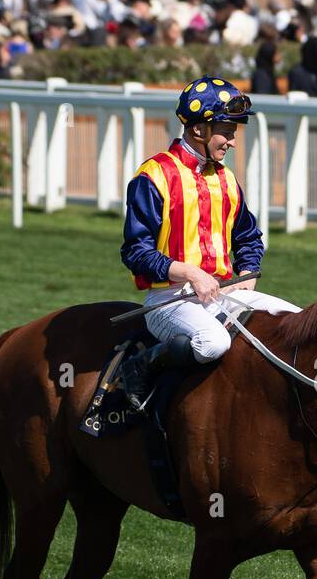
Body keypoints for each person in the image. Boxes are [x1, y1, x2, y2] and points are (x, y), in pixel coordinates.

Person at [119, 75, 299, 397]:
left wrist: (247, 272)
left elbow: (248, 237)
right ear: (199, 129)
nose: (232, 142)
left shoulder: (227, 178)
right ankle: (143, 365)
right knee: (214, 343)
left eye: (234, 133)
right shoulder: (154, 175)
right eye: (227, 133)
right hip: (168, 301)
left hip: (221, 295)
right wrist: (190, 272)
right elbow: (136, 252)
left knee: (296, 322)